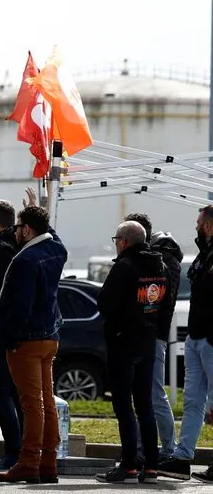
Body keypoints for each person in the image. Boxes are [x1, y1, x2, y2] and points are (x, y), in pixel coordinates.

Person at [0, 202, 68, 484]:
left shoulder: (25, 260)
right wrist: (38, 211)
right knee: (45, 402)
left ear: (29, 230)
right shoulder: (56, 250)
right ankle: (48, 463)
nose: (15, 231)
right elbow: (54, 236)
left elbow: (17, 307)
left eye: (19, 226)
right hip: (50, 336)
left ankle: (28, 462)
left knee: (31, 404)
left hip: (27, 340)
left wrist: (7, 340)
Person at [95, 220, 166, 484]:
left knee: (124, 406)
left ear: (123, 241)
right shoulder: (158, 264)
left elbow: (105, 303)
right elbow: (163, 300)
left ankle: (129, 465)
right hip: (147, 340)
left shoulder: (124, 266)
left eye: (116, 239)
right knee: (145, 405)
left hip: (123, 343)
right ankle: (151, 467)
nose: (116, 244)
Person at [161, 205, 213, 482]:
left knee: (211, 404)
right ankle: (183, 457)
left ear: (206, 225)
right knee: (193, 401)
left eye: (197, 222)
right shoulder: (204, 256)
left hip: (210, 339)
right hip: (196, 336)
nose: (195, 225)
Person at [126, 212, 181, 471]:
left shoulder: (160, 261)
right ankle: (148, 450)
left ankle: (168, 450)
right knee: (148, 395)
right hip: (150, 334)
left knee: (154, 394)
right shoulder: (163, 259)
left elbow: (159, 301)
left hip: (152, 335)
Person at [0, 197, 24, 472]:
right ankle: (25, 448)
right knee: (20, 394)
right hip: (22, 331)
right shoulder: (21, 247)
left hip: (0, 331)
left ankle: (14, 451)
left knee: (1, 393)